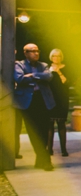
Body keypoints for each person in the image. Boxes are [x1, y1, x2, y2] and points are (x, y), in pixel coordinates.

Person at [14, 43, 55, 171]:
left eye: (37, 51)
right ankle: (46, 160)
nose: (36, 53)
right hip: (27, 101)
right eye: (32, 51)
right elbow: (20, 78)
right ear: (25, 53)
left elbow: (49, 76)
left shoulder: (43, 65)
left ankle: (40, 159)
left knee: (43, 131)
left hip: (42, 100)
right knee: (33, 132)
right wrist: (39, 76)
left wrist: (31, 75)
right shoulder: (19, 65)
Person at [47, 49, 70, 157]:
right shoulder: (47, 68)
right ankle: (49, 149)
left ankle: (63, 150)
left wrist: (58, 71)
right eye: (54, 56)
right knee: (50, 125)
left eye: (59, 56)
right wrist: (51, 71)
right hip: (51, 98)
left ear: (61, 57)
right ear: (51, 57)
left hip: (62, 98)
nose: (56, 58)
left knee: (61, 124)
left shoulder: (66, 68)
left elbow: (66, 82)